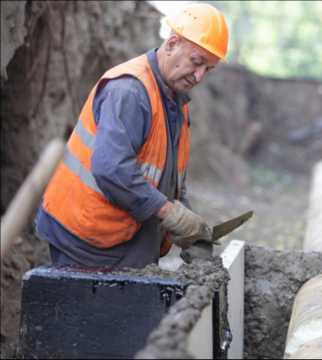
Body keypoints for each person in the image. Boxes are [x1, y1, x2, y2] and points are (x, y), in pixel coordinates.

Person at [35, 3, 229, 268]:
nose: (199, 76)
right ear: (172, 43)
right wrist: (168, 213)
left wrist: (187, 227)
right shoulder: (130, 92)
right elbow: (112, 169)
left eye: (208, 69)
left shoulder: (175, 100)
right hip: (86, 235)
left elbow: (166, 175)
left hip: (121, 231)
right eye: (197, 62)